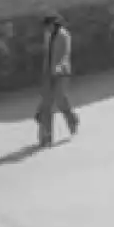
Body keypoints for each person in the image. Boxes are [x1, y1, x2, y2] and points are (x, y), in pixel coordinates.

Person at [37, 13, 79, 146]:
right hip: (49, 73)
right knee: (46, 104)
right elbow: (47, 54)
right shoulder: (48, 35)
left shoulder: (64, 35)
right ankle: (46, 135)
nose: (46, 29)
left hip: (62, 73)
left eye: (48, 26)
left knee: (60, 99)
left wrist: (58, 68)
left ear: (53, 24)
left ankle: (72, 120)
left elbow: (65, 54)